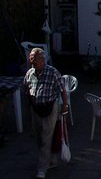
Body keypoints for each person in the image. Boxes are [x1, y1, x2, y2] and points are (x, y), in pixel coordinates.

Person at [23, 48, 68, 179]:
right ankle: (52, 160)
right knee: (38, 136)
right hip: (35, 108)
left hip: (49, 107)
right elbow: (25, 89)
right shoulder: (29, 73)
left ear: (42, 60)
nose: (32, 61)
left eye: (35, 58)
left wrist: (65, 105)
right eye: (31, 58)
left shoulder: (52, 72)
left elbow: (62, 90)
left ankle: (42, 169)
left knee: (46, 138)